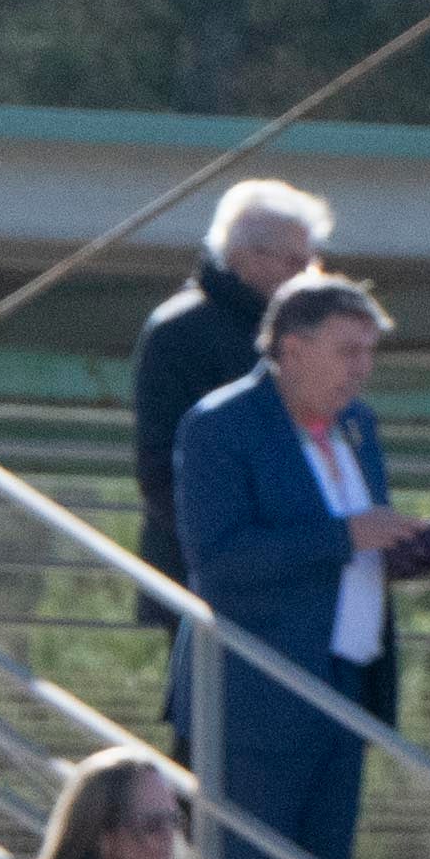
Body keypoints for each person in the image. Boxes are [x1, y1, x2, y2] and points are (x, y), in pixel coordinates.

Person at [168, 271, 430, 859]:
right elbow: (218, 564)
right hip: (256, 698)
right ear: (290, 348)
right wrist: (344, 535)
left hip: (344, 686)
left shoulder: (359, 426)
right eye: (347, 351)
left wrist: (400, 553)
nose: (361, 369)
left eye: (369, 353)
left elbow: (345, 553)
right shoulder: (220, 425)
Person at [126, 173, 327, 569]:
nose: (308, 276)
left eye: (312, 261)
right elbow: (162, 468)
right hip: (207, 575)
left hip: (289, 569)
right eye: (294, 262)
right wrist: (233, 552)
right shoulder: (179, 332)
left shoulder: (295, 333)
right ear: (242, 256)